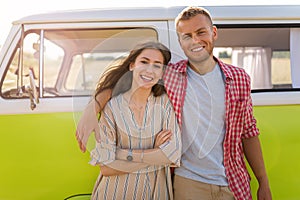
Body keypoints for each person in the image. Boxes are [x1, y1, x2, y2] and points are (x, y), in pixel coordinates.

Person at [76, 6, 272, 200]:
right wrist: (92, 107)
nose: (195, 40)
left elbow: (248, 132)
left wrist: (263, 181)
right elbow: (130, 79)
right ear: (180, 41)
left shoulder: (239, 78)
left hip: (233, 181)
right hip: (188, 182)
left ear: (213, 33)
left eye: (201, 32)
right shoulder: (170, 75)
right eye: (186, 36)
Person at [88, 41, 181, 200]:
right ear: (132, 66)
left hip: (155, 193)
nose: (149, 70)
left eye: (157, 65)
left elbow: (172, 155)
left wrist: (123, 155)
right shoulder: (112, 107)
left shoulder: (165, 103)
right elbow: (106, 167)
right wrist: (155, 151)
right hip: (115, 193)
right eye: (144, 62)